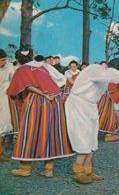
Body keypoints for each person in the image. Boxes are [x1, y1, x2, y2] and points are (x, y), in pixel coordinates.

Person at [7, 49, 73, 178]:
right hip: (55, 100)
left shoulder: (21, 70)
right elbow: (61, 79)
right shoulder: (43, 66)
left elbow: (26, 86)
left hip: (37, 100)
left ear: (18, 60)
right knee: (50, 131)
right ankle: (49, 169)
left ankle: (25, 168)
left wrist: (43, 94)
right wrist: (53, 93)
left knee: (29, 130)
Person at [65, 58, 119, 184]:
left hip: (90, 105)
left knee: (92, 137)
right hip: (78, 104)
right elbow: (110, 75)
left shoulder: (105, 75)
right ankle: (78, 172)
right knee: (82, 136)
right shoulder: (95, 69)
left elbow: (116, 78)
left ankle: (87, 170)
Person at [0, 49, 16, 162]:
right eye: (2, 60)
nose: (4, 62)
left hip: (4, 99)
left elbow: (15, 80)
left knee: (4, 125)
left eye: (5, 60)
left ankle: (0, 151)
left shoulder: (9, 66)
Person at [97, 78, 119, 143]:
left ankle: (108, 134)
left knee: (104, 113)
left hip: (102, 96)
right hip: (106, 96)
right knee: (107, 114)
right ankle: (108, 135)